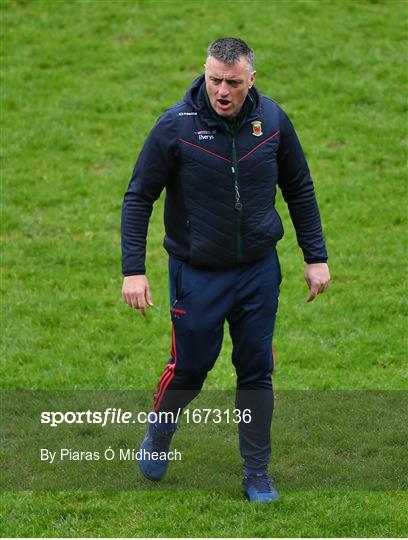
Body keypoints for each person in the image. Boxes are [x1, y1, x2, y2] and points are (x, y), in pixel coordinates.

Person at [121, 37, 330, 502]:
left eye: (233, 82)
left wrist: (315, 256)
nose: (222, 90)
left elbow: (300, 187)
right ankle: (159, 432)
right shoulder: (175, 127)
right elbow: (139, 197)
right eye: (215, 79)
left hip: (258, 271)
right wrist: (133, 270)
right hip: (197, 274)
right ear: (205, 72)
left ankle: (257, 473)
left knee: (256, 369)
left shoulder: (272, 121)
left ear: (251, 80)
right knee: (190, 369)